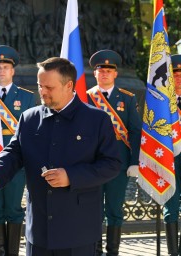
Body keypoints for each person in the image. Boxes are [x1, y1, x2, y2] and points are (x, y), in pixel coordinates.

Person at [0, 57, 121, 256]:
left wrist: (71, 176)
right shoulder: (29, 118)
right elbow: (13, 153)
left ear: (69, 86)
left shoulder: (97, 119)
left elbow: (112, 164)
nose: (42, 91)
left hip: (78, 232)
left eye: (49, 87)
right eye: (40, 85)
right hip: (39, 232)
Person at [87, 49, 142, 256]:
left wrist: (134, 161)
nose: (105, 74)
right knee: (93, 211)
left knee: (114, 211)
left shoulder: (127, 99)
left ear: (115, 74)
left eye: (109, 71)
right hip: (92, 163)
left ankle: (113, 252)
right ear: (95, 74)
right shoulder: (86, 97)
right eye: (101, 70)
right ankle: (95, 251)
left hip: (118, 163)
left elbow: (136, 131)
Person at [0, 45, 35, 256]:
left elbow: (32, 128)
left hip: (16, 162)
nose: (2, 71)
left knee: (14, 210)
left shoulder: (26, 97)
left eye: (6, 67)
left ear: (13, 71)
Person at [163, 54, 181, 256]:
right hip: (167, 159)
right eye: (174, 75)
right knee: (171, 206)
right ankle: (172, 253)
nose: (178, 78)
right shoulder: (161, 103)